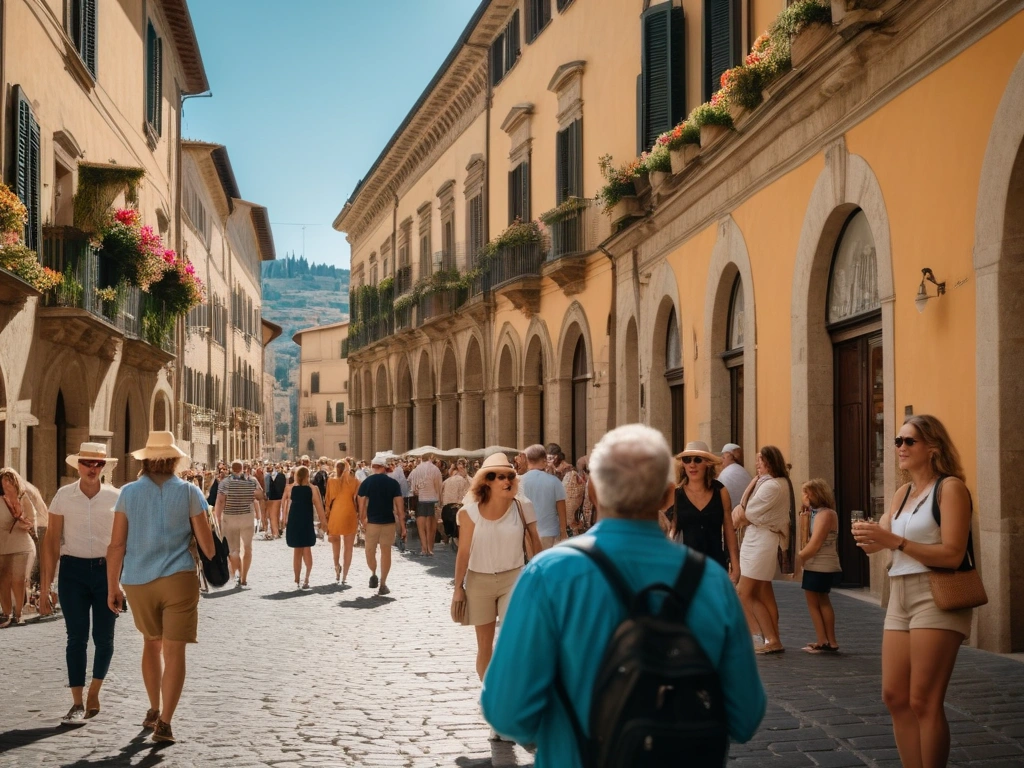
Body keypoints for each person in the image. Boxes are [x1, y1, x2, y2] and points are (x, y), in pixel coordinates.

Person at [481, 424, 766, 761]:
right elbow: (745, 716)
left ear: (594, 493)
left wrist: (559, 733)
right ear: (667, 495)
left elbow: (506, 711)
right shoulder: (711, 582)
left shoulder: (548, 575)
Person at [852, 415, 975, 768]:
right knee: (894, 696)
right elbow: (884, 539)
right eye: (897, 441)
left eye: (909, 441)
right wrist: (870, 538)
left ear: (932, 448)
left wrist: (896, 541)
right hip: (899, 594)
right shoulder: (902, 493)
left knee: (924, 700)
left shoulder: (950, 488)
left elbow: (952, 554)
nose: (900, 448)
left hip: (935, 594)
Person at [106, 431, 215, 744]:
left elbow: (116, 545)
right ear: (174, 459)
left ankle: (153, 708)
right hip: (179, 579)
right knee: (174, 650)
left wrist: (112, 586)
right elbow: (208, 549)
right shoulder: (190, 493)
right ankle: (165, 722)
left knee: (150, 644)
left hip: (137, 580)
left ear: (146, 459)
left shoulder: (127, 493)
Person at [38, 443, 121, 722]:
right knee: (76, 638)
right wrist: (44, 588)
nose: (92, 468)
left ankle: (94, 691)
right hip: (72, 571)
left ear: (104, 467)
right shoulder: (63, 496)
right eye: (87, 463)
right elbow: (51, 542)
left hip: (105, 572)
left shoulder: (116, 497)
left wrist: (120, 581)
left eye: (98, 464)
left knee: (105, 638)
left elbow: (122, 543)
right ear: (78, 465)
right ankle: (76, 702)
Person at [451, 453, 541, 685]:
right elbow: (463, 553)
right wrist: (458, 588)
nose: (506, 481)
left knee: (512, 639)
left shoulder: (523, 507)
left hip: (514, 578)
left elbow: (537, 547)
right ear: (486, 481)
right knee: (484, 644)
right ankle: (488, 691)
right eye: (499, 477)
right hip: (478, 581)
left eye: (510, 476)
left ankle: (509, 689)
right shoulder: (468, 513)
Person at [732, 445, 795, 654]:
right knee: (763, 592)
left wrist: (742, 513)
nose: (757, 463)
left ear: (771, 461)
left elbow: (748, 512)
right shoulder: (770, 483)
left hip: (761, 542)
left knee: (744, 592)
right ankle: (773, 638)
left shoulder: (772, 486)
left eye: (761, 459)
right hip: (759, 539)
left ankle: (764, 637)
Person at [671, 441, 740, 583]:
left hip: (715, 564)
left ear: (707, 463)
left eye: (697, 460)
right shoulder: (676, 495)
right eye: (687, 460)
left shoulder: (721, 491)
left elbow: (728, 529)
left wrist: (735, 564)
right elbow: (672, 530)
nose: (692, 465)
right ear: (682, 464)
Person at [797, 478, 842, 653]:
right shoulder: (817, 513)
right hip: (816, 563)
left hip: (820, 564)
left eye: (807, 493)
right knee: (820, 600)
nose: (804, 497)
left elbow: (815, 544)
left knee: (817, 602)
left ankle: (825, 641)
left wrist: (798, 559)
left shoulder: (826, 514)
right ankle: (827, 640)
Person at [0, 467, 44, 627]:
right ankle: (6, 613)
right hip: (2, 544)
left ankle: (18, 614)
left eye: (9, 482)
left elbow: (32, 520)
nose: (6, 485)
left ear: (15, 483)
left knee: (18, 580)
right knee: (3, 580)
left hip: (22, 544)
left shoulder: (23, 498)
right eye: (4, 482)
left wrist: (25, 523)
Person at [357, 454, 406, 595]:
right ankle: (383, 583)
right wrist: (403, 527)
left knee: (369, 552)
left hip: (372, 522)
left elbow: (361, 503)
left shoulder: (367, 482)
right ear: (384, 468)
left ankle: (373, 572)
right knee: (386, 553)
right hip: (388, 522)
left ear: (373, 467)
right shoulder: (393, 483)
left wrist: (362, 519)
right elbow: (399, 508)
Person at [213, 460, 265, 588]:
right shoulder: (252, 481)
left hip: (230, 518)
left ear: (231, 469)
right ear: (243, 469)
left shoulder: (225, 482)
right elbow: (260, 496)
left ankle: (238, 572)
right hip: (247, 517)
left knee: (233, 550)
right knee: (247, 548)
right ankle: (244, 577)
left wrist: (217, 518)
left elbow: (220, 501)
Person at [283, 466, 328, 589]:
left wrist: (284, 520)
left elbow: (286, 506)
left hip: (294, 521)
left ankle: (297, 578)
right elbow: (319, 507)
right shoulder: (313, 489)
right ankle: (306, 578)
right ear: (308, 476)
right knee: (307, 549)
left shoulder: (290, 488)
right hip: (306, 521)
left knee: (297, 551)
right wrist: (324, 522)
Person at [520, 444, 567, 549]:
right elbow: (561, 510)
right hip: (550, 533)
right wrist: (563, 533)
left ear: (527, 460)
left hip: (527, 534)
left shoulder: (519, 482)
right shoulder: (555, 481)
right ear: (544, 460)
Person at [324, 459, 360, 584]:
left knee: (335, 544)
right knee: (348, 547)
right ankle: (345, 575)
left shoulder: (331, 481)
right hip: (349, 513)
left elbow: (327, 501)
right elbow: (357, 500)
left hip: (335, 514)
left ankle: (336, 566)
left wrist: (327, 516)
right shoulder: (355, 481)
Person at [407, 453, 443, 556]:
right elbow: (439, 486)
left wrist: (416, 490)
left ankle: (424, 548)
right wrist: (439, 501)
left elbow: (410, 483)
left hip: (421, 500)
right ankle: (430, 548)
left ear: (421, 458)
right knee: (431, 527)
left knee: (421, 527)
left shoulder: (416, 470)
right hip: (433, 500)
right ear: (431, 458)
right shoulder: (435, 469)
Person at [440, 461, 471, 551]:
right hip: (458, 507)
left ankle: (448, 541)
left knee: (449, 528)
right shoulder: (464, 480)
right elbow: (466, 494)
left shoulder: (446, 481)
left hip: (446, 507)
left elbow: (441, 496)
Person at [719, 443, 753, 518]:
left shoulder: (725, 473)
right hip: (746, 515)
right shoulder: (744, 471)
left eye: (723, 457)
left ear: (730, 456)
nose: (722, 460)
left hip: (732, 516)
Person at [265, 464, 287, 540]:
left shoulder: (280, 476)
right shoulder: (267, 477)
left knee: (274, 516)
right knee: (275, 515)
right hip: (273, 498)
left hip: (276, 498)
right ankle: (276, 531)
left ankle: (275, 532)